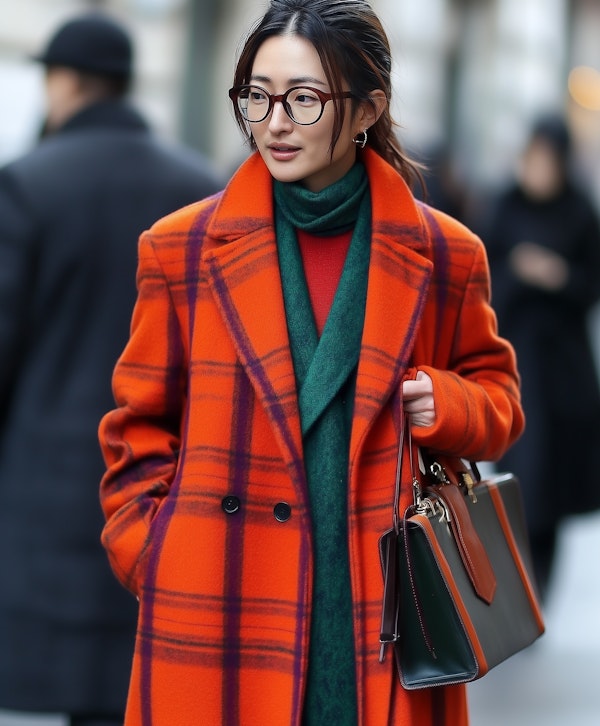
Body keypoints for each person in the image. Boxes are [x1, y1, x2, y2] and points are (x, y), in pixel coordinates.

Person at [98, 1, 524, 724]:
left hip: (381, 612)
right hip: (222, 600)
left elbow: (500, 403)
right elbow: (136, 428)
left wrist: (447, 403)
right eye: (256, 96)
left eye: (303, 98)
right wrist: (158, 556)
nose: (275, 122)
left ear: (367, 109)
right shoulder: (181, 249)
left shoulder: (447, 254)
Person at [0, 11, 224, 726]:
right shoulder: (199, 190)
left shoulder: (27, 184)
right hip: (165, 482)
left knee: (65, 685)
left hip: (42, 485)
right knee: (135, 683)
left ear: (64, 82)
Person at [484, 113, 600, 601]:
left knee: (552, 480)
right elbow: (483, 283)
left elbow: (591, 286)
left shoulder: (579, 212)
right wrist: (519, 273)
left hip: (564, 371)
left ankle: (539, 584)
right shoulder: (503, 208)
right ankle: (516, 582)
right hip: (515, 361)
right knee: (520, 472)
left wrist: (559, 277)